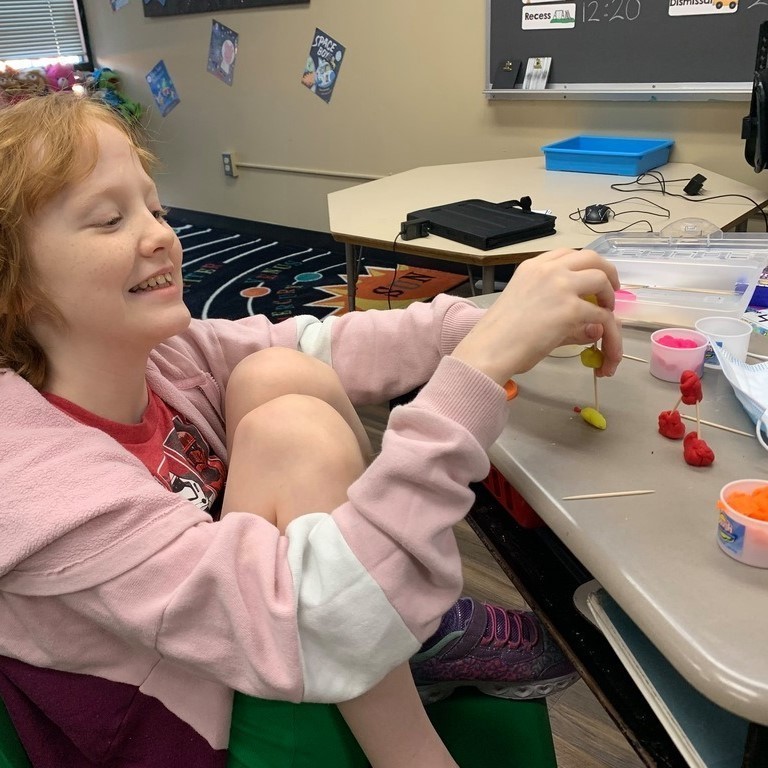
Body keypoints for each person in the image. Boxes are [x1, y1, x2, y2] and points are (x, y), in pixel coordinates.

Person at [0, 92, 622, 767]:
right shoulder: (32, 479)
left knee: (273, 375)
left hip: (246, 637)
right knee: (291, 434)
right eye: (109, 219)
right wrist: (477, 373)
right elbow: (307, 622)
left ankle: (393, 625)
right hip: (189, 725)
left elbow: (321, 342)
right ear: (15, 285)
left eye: (154, 207)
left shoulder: (159, 357)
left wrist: (488, 324)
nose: (159, 234)